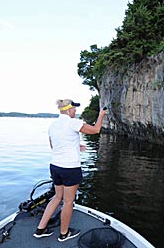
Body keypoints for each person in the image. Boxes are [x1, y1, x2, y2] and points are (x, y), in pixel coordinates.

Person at [33, 99, 107, 242]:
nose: (75, 111)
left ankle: (40, 229)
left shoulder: (53, 125)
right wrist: (101, 114)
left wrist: (75, 146)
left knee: (57, 197)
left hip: (55, 166)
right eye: (74, 109)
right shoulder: (73, 122)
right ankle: (64, 234)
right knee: (68, 201)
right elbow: (96, 130)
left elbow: (54, 146)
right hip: (70, 168)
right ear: (68, 110)